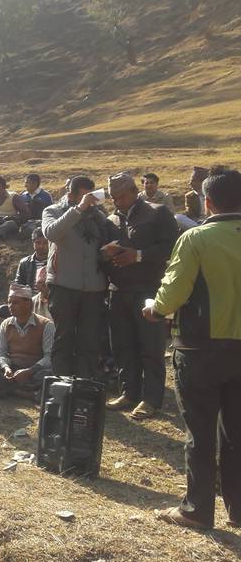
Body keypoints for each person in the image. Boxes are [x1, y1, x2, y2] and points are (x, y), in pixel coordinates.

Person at [144, 166, 241, 531]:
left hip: (201, 348)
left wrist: (154, 308)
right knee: (237, 432)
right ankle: (238, 508)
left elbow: (172, 294)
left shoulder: (196, 238)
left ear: (207, 201)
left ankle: (197, 509)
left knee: (200, 432)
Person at [101, 173, 179, 420]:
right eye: (113, 198)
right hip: (117, 291)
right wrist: (105, 253)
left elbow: (172, 247)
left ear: (135, 191)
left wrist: (138, 255)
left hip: (148, 290)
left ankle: (151, 399)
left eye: (122, 196)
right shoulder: (110, 220)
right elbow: (100, 256)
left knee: (150, 347)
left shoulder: (157, 213)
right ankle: (129, 392)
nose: (118, 201)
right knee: (123, 345)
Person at [42, 175, 108, 378]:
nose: (89, 200)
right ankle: (62, 384)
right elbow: (51, 233)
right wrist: (78, 209)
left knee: (89, 340)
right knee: (64, 337)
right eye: (85, 196)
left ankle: (85, 383)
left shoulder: (98, 216)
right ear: (71, 195)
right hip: (63, 286)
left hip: (94, 288)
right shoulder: (53, 211)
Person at [0, 284, 54, 400]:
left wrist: (29, 371)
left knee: (49, 374)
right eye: (9, 302)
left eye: (15, 303)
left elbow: (49, 357)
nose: (10, 306)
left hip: (34, 371)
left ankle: (3, 387)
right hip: (12, 370)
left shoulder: (46, 325)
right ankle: (21, 392)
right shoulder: (6, 324)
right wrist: (6, 368)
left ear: (28, 304)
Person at [0, 228, 49, 319]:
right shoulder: (25, 263)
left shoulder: (56, 262)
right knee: (3, 310)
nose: (41, 246)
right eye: (38, 242)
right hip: (28, 301)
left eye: (45, 243)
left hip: (47, 300)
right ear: (33, 243)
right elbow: (18, 285)